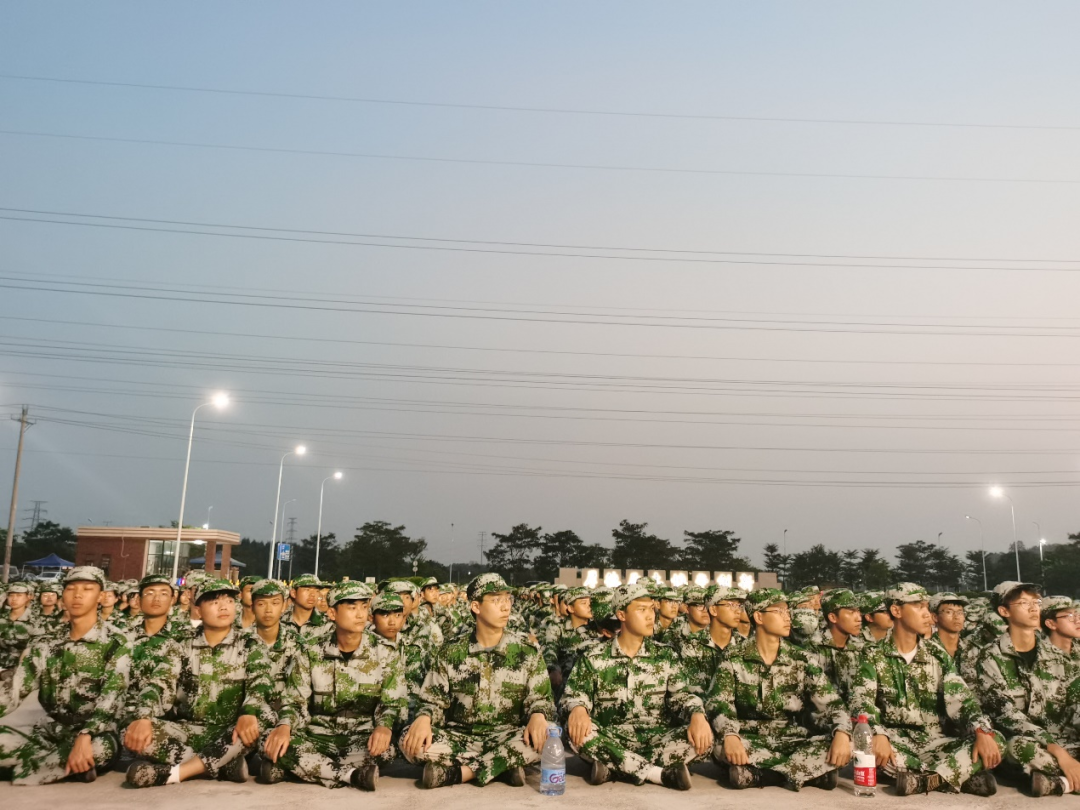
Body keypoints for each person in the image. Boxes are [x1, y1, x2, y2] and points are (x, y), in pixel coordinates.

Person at [401, 573, 555, 789]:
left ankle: (462, 773)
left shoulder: (526, 651)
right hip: (460, 738)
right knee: (409, 739)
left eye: (507, 599)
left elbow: (541, 699)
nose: (506, 607)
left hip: (507, 735)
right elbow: (433, 700)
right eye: (496, 600)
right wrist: (424, 718)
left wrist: (538, 715)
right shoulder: (451, 651)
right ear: (476, 606)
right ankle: (503, 766)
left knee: (551, 736)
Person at [851, 582, 1003, 796]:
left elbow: (962, 700)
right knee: (863, 745)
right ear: (896, 611)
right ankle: (958, 775)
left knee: (995, 739)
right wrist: (877, 733)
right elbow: (862, 701)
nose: (927, 614)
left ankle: (927, 780)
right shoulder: (872, 654)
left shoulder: (937, 654)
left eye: (927, 607)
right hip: (895, 744)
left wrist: (980, 730)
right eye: (918, 606)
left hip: (936, 743)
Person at [122, 577, 275, 787]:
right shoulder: (181, 643)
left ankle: (175, 774)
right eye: (214, 602)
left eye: (230, 601)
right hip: (188, 730)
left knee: (263, 715)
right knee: (130, 729)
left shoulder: (250, 643)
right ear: (198, 610)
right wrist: (144, 716)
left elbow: (261, 682)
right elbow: (160, 682)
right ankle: (224, 765)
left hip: (233, 731)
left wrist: (248, 712)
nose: (224, 607)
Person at [561, 582, 713, 790]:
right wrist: (578, 708)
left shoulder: (665, 655)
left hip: (656, 738)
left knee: (705, 738)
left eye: (651, 609)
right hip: (610, 736)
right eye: (641, 610)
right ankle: (657, 774)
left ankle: (614, 766)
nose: (650, 616)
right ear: (621, 615)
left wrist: (696, 714)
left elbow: (682, 696)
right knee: (575, 732)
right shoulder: (594, 657)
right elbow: (573, 695)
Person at [259, 582, 407, 790]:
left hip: (361, 738)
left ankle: (303, 767)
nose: (360, 614)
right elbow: (295, 700)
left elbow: (392, 702)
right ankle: (351, 775)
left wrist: (384, 726)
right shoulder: (311, 651)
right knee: (267, 738)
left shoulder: (384, 652)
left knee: (387, 749)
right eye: (352, 607)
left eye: (364, 607)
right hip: (316, 736)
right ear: (332, 613)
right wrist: (285, 726)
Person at [707, 588, 851, 790]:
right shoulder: (734, 658)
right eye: (779, 611)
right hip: (750, 739)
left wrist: (842, 732)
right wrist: (730, 734)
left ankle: (762, 775)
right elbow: (719, 703)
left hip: (793, 739)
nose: (787, 617)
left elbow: (831, 703)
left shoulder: (801, 659)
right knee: (719, 745)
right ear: (759, 617)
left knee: (845, 743)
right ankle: (807, 773)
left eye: (787, 611)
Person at [0, 566, 131, 784]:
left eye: (87, 589)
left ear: (100, 597)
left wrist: (86, 734)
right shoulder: (46, 642)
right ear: (63, 596)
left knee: (100, 751)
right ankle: (61, 765)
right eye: (71, 589)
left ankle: (26, 767)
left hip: (97, 733)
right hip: (51, 729)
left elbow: (112, 696)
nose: (78, 595)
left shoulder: (116, 642)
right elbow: (15, 688)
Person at [975, 582, 1080, 797]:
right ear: (1004, 611)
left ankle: (1060, 783)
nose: (1034, 608)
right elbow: (1007, 715)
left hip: (1066, 740)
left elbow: (1075, 701)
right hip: (1029, 742)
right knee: (1017, 748)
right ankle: (1066, 776)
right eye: (1023, 603)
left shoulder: (1055, 655)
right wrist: (1057, 750)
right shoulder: (991, 657)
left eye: (1036, 602)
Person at [673, 585, 745, 697]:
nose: (738, 611)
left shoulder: (745, 645)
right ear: (713, 610)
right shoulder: (691, 646)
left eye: (739, 605)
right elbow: (693, 691)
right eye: (730, 605)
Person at [809, 588, 864, 705]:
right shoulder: (813, 648)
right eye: (851, 612)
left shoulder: (862, 648)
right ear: (833, 617)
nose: (859, 618)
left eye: (858, 611)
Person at [929, 592, 972, 671]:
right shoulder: (926, 650)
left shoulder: (972, 650)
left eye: (960, 612)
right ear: (935, 617)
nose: (956, 617)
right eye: (949, 612)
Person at [0, 581, 35, 669]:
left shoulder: (35, 620)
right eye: (11, 595)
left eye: (19, 595)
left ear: (28, 597)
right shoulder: (2, 618)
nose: (14, 599)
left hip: (22, 667)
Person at [1041, 596, 1080, 662]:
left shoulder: (1077, 649)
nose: (1078, 621)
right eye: (1069, 616)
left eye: (1076, 615)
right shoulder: (1041, 657)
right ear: (1050, 624)